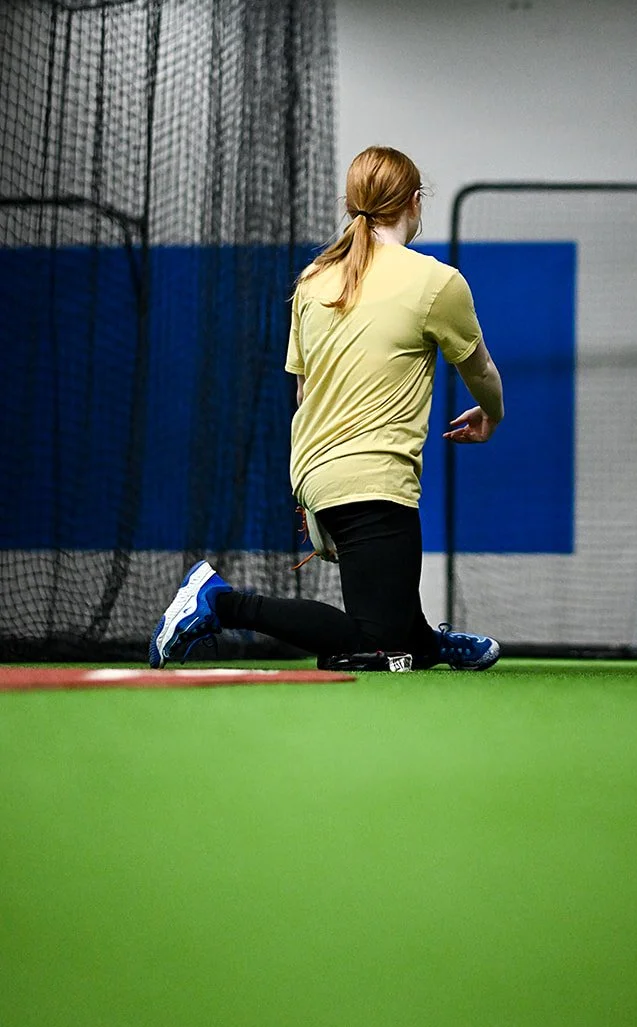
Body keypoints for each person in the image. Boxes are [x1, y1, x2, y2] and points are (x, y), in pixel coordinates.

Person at [149, 146, 505, 671]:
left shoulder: (314, 280)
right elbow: (482, 373)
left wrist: (317, 496)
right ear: (415, 201)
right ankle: (220, 602)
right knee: (375, 643)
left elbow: (304, 394)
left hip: (315, 472)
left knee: (394, 620)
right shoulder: (437, 282)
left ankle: (429, 644)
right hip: (373, 477)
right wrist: (491, 414)